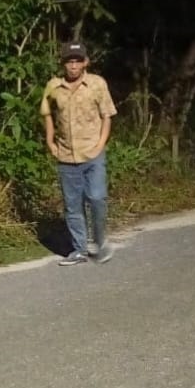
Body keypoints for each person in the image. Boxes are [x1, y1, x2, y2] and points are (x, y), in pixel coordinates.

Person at [40, 41, 119, 265]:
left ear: (85, 62)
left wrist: (101, 143)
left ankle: (100, 240)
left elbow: (107, 115)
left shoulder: (96, 84)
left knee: (96, 197)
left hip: (92, 152)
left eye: (77, 61)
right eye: (69, 61)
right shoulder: (54, 87)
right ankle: (79, 249)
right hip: (66, 155)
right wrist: (50, 142)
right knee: (72, 205)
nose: (73, 66)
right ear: (63, 64)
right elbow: (46, 113)